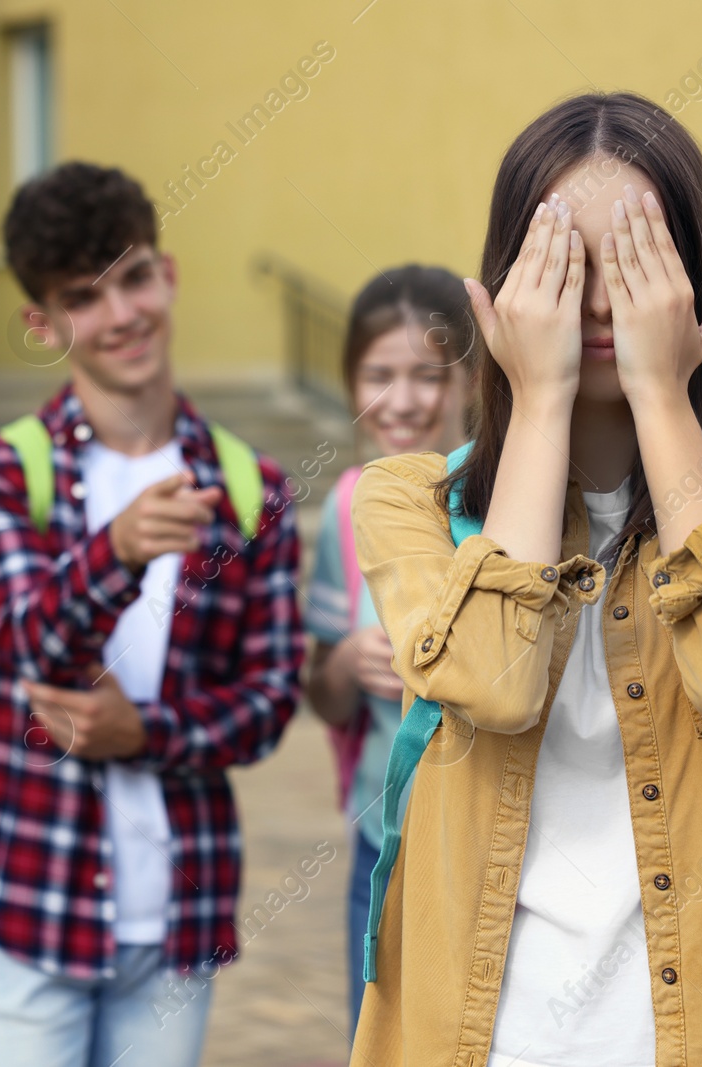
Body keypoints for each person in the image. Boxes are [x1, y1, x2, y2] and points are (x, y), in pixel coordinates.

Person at [349, 92, 702, 1066]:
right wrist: (537, 401)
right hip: (483, 1034)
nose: (591, 297)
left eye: (630, 256)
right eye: (560, 259)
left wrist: (662, 391)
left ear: (696, 284)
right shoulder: (405, 496)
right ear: (499, 288)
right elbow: (491, 682)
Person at [0, 161, 305, 1067]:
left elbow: (270, 700)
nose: (122, 313)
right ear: (43, 326)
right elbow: (27, 644)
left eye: (134, 278)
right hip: (22, 896)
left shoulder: (254, 490)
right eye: (84, 297)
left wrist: (148, 732)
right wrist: (119, 548)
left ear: (167, 275)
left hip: (177, 912)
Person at [300, 265, 474, 1036]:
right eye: (379, 375)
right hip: (385, 852)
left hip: (494, 848)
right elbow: (323, 694)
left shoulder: (517, 498)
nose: (401, 400)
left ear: (472, 380)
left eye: (426, 375)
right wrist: (343, 665)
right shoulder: (346, 508)